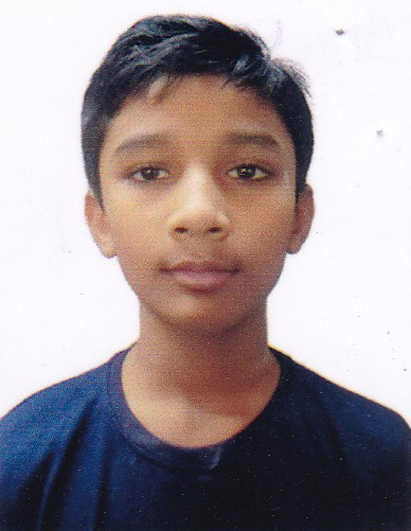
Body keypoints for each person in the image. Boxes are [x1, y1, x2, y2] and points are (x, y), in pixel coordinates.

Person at [0, 14, 409, 531]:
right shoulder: (23, 460)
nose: (199, 213)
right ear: (99, 219)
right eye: (150, 172)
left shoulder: (378, 458)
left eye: (247, 171)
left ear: (299, 216)